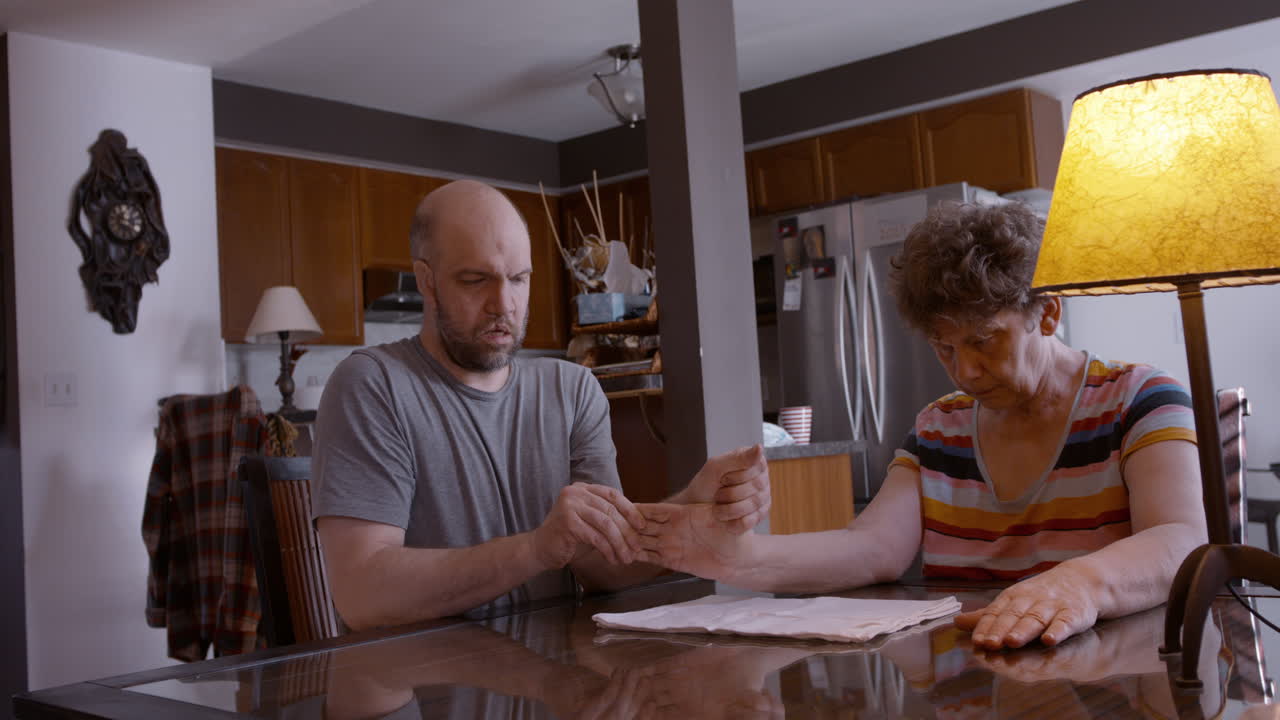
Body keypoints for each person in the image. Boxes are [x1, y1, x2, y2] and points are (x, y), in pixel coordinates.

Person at [637, 201, 1206, 650]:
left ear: (1048, 312)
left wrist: (1077, 583)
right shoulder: (941, 427)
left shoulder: (1139, 398)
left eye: (984, 341)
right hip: (973, 678)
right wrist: (736, 558)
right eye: (944, 348)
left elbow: (1180, 539)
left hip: (1112, 683)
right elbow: (874, 548)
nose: (965, 370)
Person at [312, 179, 769, 631]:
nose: (504, 304)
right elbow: (363, 597)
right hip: (429, 688)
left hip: (554, 681)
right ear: (427, 282)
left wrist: (693, 507)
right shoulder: (373, 385)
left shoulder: (572, 391)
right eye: (476, 280)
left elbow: (604, 566)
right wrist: (536, 549)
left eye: (519, 279)